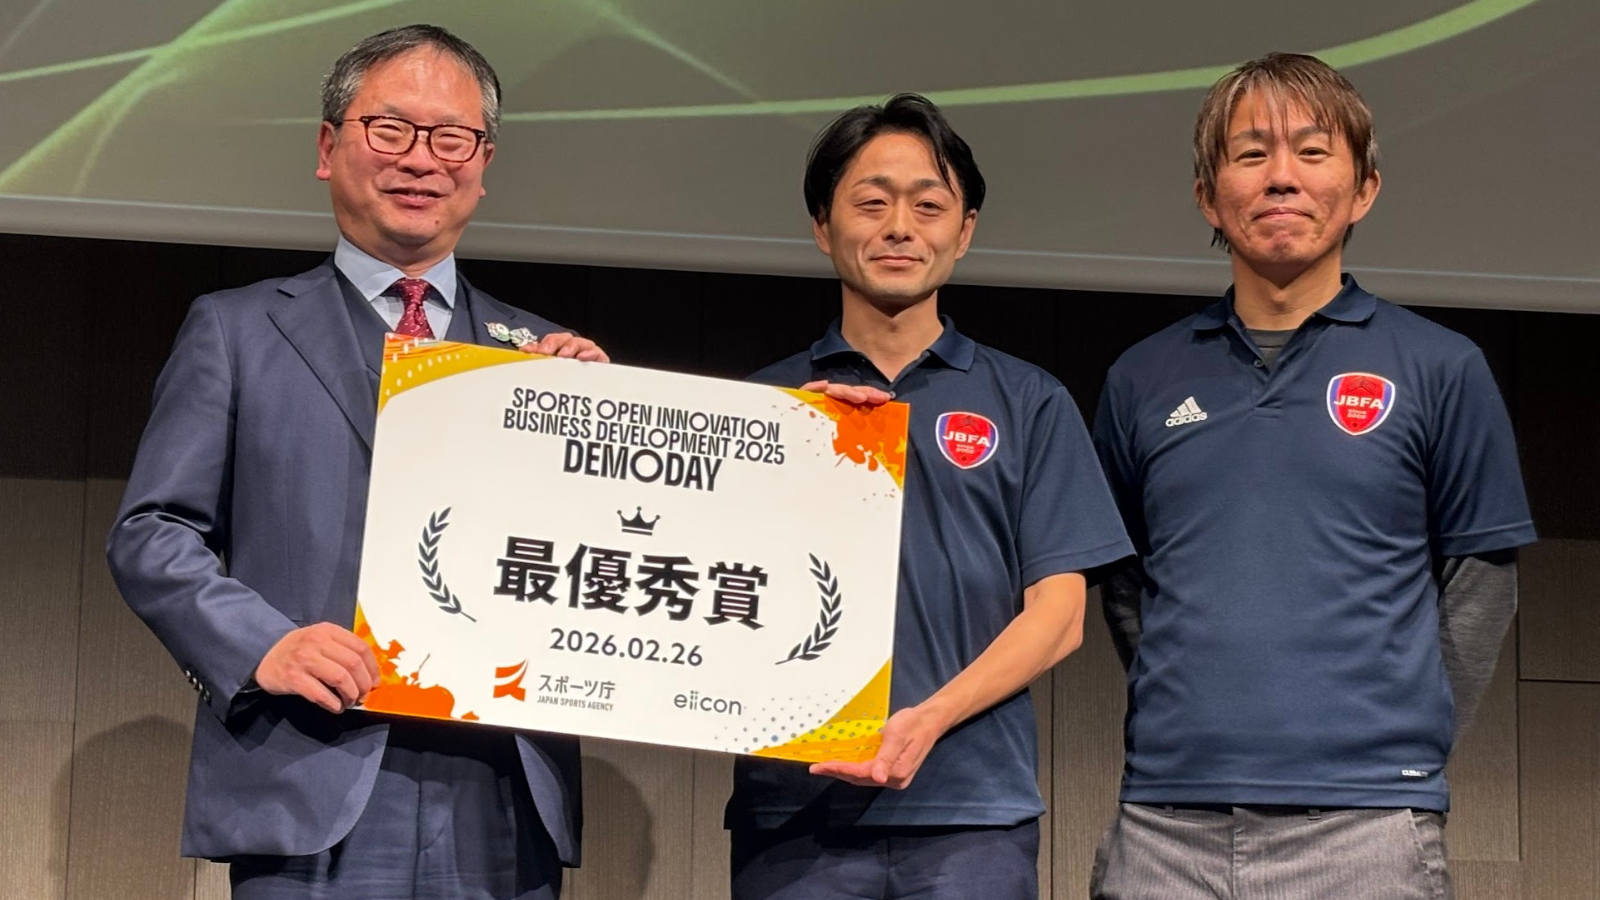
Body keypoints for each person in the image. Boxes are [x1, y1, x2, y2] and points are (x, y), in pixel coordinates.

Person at [106, 24, 606, 900]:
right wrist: (263, 645)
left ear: (483, 165)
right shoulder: (237, 330)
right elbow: (152, 532)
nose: (421, 159)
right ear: (328, 146)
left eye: (452, 138)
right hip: (311, 769)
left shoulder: (543, 358)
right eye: (391, 128)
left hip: (502, 783)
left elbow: (597, 561)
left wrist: (600, 434)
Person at [1089, 52, 1536, 900]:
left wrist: (1402, 734)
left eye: (1312, 150)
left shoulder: (1442, 367)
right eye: (1251, 153)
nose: (1281, 177)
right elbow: (1126, 582)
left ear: (1364, 189)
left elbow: (1482, 577)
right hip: (1163, 825)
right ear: (1207, 195)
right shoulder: (1141, 378)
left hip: (1368, 829)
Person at [723, 93, 1134, 900]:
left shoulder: (1029, 400)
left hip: (971, 814)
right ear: (822, 226)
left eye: (928, 205)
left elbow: (1059, 618)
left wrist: (929, 719)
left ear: (964, 230)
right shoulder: (763, 409)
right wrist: (799, 448)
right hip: (796, 811)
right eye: (871, 203)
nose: (899, 227)